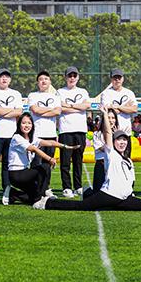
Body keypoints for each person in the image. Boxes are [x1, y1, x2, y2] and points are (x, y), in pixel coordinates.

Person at [34, 103, 141, 212]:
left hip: (124, 198)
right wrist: (105, 115)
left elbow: (130, 182)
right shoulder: (111, 153)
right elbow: (107, 132)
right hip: (108, 195)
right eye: (118, 140)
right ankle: (47, 203)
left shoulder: (128, 161)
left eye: (124, 140)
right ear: (113, 142)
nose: (122, 142)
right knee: (80, 206)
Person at [3, 113, 78, 205]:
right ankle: (40, 198)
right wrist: (50, 159)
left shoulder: (31, 138)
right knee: (45, 167)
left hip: (25, 173)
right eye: (24, 123)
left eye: (29, 123)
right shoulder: (17, 138)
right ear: (19, 125)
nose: (27, 125)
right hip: (17, 175)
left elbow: (49, 142)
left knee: (34, 196)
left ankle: (12, 195)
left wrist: (65, 146)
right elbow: (34, 149)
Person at [0, 68, 23, 201]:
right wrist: (10, 111)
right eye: (2, 76)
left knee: (8, 163)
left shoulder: (16, 94)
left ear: (10, 79)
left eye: (7, 77)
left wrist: (2, 112)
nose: (4, 79)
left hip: (11, 133)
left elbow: (19, 112)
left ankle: (7, 188)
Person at [56, 66, 91, 199]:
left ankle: (78, 186)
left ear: (78, 77)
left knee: (78, 161)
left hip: (80, 130)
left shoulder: (83, 91)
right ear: (65, 77)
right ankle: (66, 187)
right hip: (65, 130)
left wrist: (69, 105)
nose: (72, 78)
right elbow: (60, 108)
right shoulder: (60, 92)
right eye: (69, 76)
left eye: (74, 76)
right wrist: (78, 107)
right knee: (65, 161)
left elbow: (87, 106)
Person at [27, 70, 62, 197]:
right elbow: (35, 110)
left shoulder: (55, 97)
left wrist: (42, 111)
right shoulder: (32, 95)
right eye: (41, 79)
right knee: (36, 163)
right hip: (36, 135)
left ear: (50, 82)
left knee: (48, 163)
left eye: (46, 79)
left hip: (51, 134)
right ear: (37, 82)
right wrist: (50, 110)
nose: (43, 81)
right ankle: (34, 188)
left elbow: (57, 112)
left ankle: (46, 188)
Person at [90, 108, 120, 195]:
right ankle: (86, 193)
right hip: (101, 165)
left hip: (114, 166)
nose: (111, 120)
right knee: (98, 194)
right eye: (108, 117)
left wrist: (118, 136)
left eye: (113, 118)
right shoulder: (97, 134)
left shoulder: (119, 134)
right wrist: (112, 137)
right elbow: (104, 149)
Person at [101, 67, 138, 134]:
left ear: (123, 78)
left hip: (126, 131)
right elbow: (108, 112)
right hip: (111, 131)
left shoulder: (129, 93)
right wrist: (126, 107)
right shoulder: (106, 93)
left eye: (119, 77)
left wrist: (118, 107)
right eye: (115, 77)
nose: (117, 79)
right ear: (111, 79)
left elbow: (134, 109)